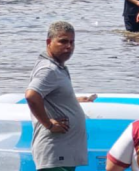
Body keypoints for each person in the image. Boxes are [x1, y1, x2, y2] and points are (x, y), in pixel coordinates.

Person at [25, 21, 96, 171]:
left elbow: (49, 96)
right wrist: (49, 124)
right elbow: (32, 96)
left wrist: (73, 101)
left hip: (63, 153)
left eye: (72, 42)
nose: (69, 46)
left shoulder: (57, 67)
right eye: (63, 41)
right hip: (55, 153)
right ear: (49, 42)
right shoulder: (48, 69)